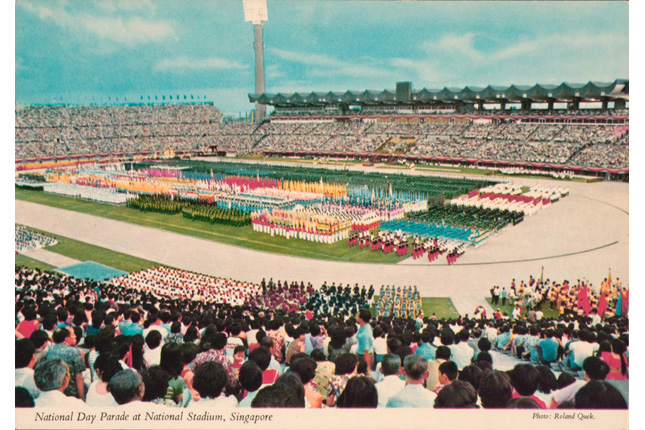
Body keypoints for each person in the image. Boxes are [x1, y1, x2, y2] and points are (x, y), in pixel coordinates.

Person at [45, 326, 86, 400]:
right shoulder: (74, 352)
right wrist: (82, 399)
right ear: (66, 339)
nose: (75, 336)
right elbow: (79, 377)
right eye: (73, 335)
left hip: (54, 391)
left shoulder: (50, 350)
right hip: (71, 393)